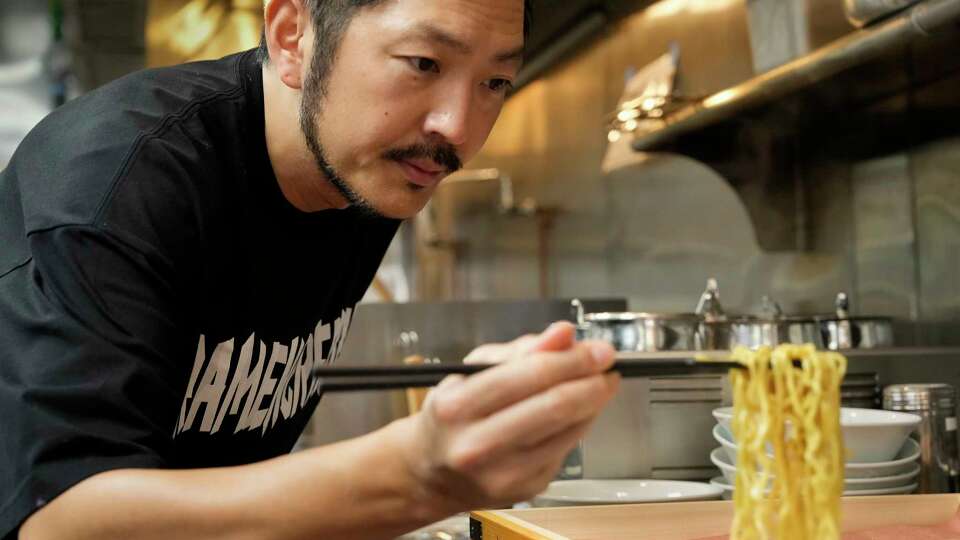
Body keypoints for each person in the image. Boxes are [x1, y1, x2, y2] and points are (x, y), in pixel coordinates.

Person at [0, 1, 621, 538]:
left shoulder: (369, 172)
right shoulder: (120, 183)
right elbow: (61, 520)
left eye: (495, 83)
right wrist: (420, 469)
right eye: (424, 63)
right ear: (293, 35)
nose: (456, 128)